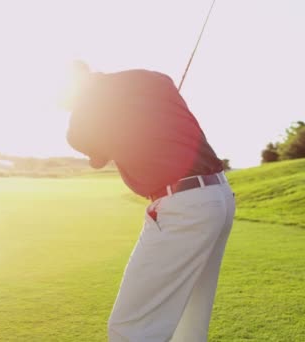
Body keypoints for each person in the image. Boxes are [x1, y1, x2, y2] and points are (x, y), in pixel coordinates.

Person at [63, 62, 235, 342]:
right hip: (219, 197)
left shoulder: (85, 111)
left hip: (184, 206)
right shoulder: (151, 78)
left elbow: (94, 154)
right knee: (189, 323)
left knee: (131, 328)